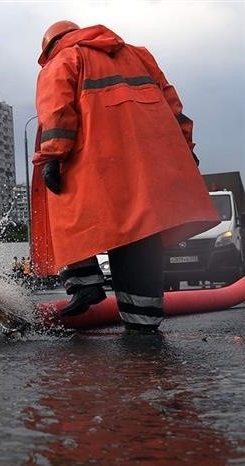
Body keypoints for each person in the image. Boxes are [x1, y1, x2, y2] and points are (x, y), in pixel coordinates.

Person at [30, 21, 219, 332]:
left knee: (62, 208)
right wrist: (185, 147)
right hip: (147, 163)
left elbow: (57, 110)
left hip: (94, 163)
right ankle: (143, 323)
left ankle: (84, 283)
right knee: (139, 234)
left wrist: (52, 155)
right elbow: (173, 105)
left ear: (50, 46)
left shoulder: (63, 60)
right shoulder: (140, 55)